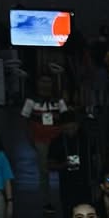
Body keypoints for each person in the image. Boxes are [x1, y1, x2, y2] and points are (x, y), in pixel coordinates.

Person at [21, 74, 68, 210]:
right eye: (43, 81)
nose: (45, 84)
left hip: (58, 140)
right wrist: (30, 139)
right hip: (40, 140)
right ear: (37, 83)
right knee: (44, 171)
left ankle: (66, 198)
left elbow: (66, 117)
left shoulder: (58, 100)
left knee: (64, 168)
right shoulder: (31, 100)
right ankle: (46, 202)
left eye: (48, 81)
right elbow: (25, 120)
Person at [47, 112, 90, 217]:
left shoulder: (86, 139)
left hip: (85, 182)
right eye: (67, 128)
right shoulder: (56, 142)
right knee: (69, 213)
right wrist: (63, 165)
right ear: (62, 127)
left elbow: (96, 159)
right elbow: (50, 165)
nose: (70, 131)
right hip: (67, 184)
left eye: (73, 127)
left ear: (78, 125)